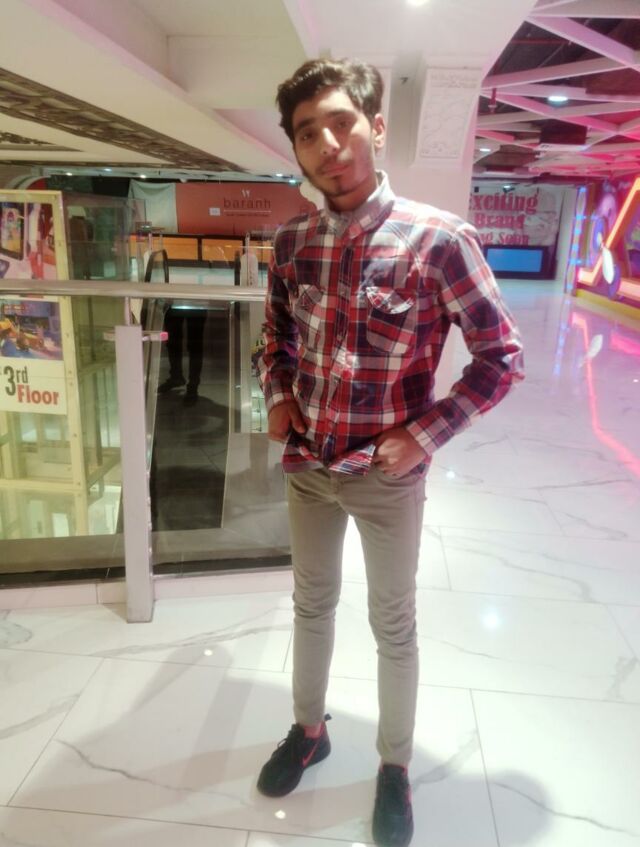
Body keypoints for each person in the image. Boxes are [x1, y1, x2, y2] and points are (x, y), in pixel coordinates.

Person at [257, 58, 524, 847]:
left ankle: (394, 766)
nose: (327, 143)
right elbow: (274, 337)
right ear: (297, 149)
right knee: (310, 604)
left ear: (376, 127)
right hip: (309, 466)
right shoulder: (292, 242)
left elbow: (501, 357)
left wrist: (423, 435)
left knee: (393, 622)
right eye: (308, 132)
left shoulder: (439, 240)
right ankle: (310, 730)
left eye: (341, 122)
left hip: (384, 477)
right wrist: (276, 396)